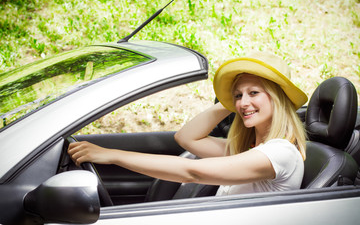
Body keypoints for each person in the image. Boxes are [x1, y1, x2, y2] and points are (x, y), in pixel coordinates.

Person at [68, 51, 308, 196]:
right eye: (238, 95)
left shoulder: (280, 153)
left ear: (278, 99)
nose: (243, 103)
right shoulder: (246, 151)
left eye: (255, 92)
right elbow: (186, 138)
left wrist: (112, 155)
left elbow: (192, 171)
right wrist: (231, 101)